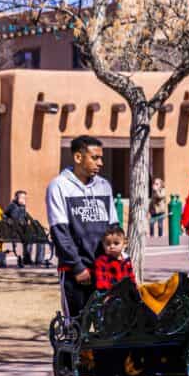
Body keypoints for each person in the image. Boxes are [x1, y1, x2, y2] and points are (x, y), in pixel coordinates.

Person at [47, 135, 117, 318]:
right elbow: (59, 231)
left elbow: (114, 229)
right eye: (95, 157)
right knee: (77, 326)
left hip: (103, 270)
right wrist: (77, 267)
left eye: (101, 158)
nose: (100, 163)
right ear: (78, 157)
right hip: (75, 272)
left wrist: (113, 262)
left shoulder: (104, 186)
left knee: (107, 326)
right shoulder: (59, 186)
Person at [93, 224, 135, 291]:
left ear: (124, 243)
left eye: (116, 243)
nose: (112, 246)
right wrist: (106, 291)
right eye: (108, 244)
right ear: (103, 245)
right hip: (110, 294)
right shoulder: (101, 261)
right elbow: (101, 279)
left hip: (125, 292)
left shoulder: (126, 260)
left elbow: (131, 276)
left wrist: (133, 287)